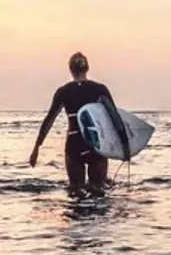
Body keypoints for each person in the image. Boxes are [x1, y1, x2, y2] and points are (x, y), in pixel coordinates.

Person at [29, 51, 129, 196]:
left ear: (70, 69)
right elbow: (115, 119)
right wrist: (125, 146)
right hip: (96, 143)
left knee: (75, 191)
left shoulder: (63, 92)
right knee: (99, 190)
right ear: (87, 68)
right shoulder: (99, 89)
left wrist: (36, 148)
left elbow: (49, 120)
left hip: (74, 143)